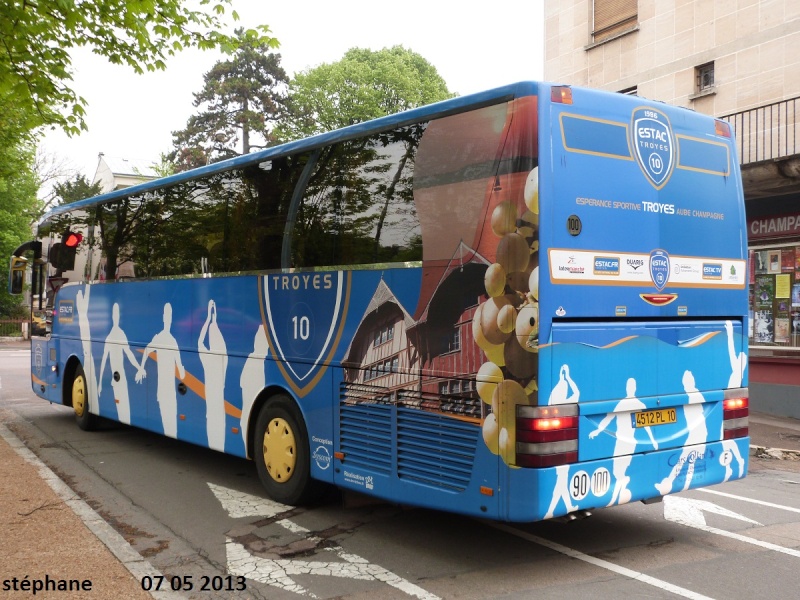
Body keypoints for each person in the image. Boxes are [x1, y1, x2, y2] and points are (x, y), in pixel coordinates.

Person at [590, 378, 657, 506]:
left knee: (618, 470)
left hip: (623, 442)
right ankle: (623, 484)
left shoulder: (623, 403)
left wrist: (597, 431)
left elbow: (608, 419)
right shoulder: (637, 403)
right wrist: (653, 440)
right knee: (618, 469)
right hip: (628, 441)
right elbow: (647, 424)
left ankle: (621, 486)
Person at [136, 303, 185, 438]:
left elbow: (146, 350)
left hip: (162, 391)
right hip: (168, 391)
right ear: (168, 318)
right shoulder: (173, 341)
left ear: (165, 318)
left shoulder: (160, 338)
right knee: (172, 426)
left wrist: (141, 368)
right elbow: (182, 372)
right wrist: (182, 370)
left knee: (166, 423)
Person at [98, 303, 139, 424]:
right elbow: (103, 360)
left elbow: (129, 354)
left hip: (121, 379)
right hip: (117, 379)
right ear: (113, 316)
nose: (116, 317)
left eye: (118, 314)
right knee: (123, 408)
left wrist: (139, 367)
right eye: (115, 314)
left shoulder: (118, 334)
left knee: (124, 408)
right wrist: (99, 383)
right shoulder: (113, 335)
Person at [199, 299, 228, 451]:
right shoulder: (224, 359)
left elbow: (199, 341)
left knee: (212, 431)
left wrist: (208, 320)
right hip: (219, 408)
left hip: (211, 408)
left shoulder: (208, 358)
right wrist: (214, 320)